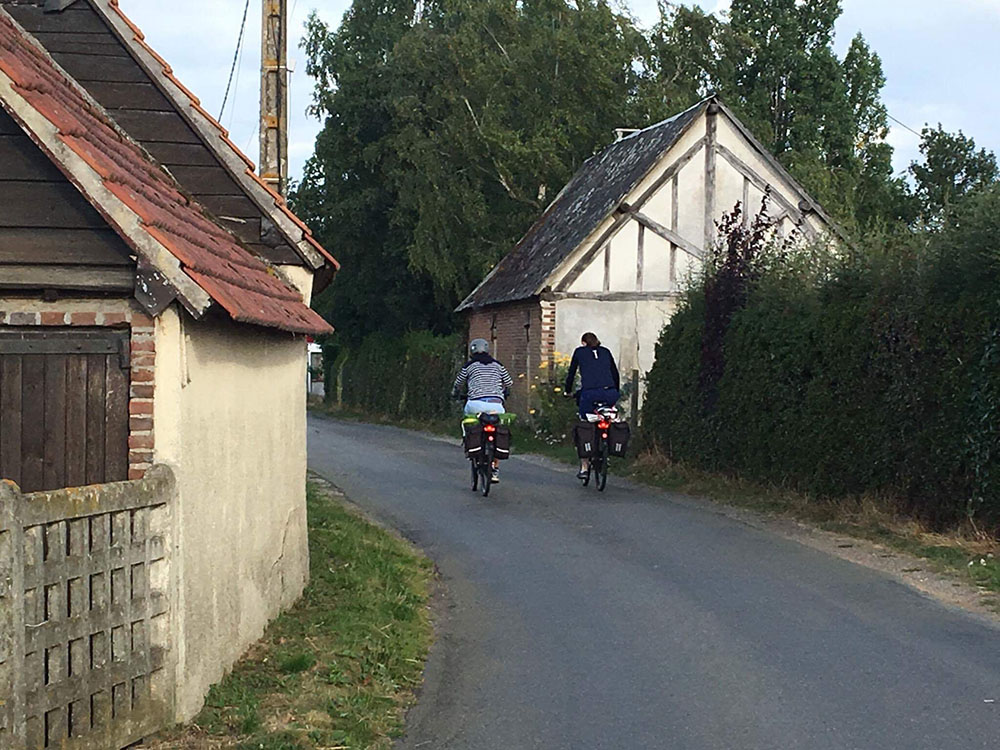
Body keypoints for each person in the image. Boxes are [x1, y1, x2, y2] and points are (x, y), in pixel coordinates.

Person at [452, 339, 513, 482]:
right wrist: (504, 392)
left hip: (475, 404)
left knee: (468, 422)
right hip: (496, 405)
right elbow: (509, 383)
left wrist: (455, 392)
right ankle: (495, 468)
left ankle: (469, 442)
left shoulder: (469, 366)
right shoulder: (498, 366)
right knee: (498, 431)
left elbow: (458, 383)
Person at [565, 332, 620, 479]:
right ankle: (607, 447)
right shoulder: (606, 351)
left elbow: (571, 373)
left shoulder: (579, 352)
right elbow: (615, 373)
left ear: (583, 343)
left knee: (584, 425)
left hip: (589, 395)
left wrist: (567, 391)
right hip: (610, 393)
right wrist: (616, 391)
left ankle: (584, 467)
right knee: (608, 417)